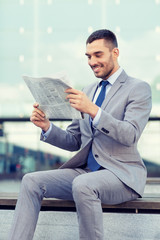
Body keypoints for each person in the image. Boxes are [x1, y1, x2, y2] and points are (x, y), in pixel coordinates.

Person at [9, 29, 152, 240]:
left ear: (115, 53)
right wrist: (47, 126)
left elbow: (130, 134)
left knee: (83, 185)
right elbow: (74, 140)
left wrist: (94, 110)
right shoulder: (89, 89)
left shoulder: (138, 88)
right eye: (88, 56)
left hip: (122, 176)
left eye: (98, 55)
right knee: (31, 181)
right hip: (86, 173)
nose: (92, 61)